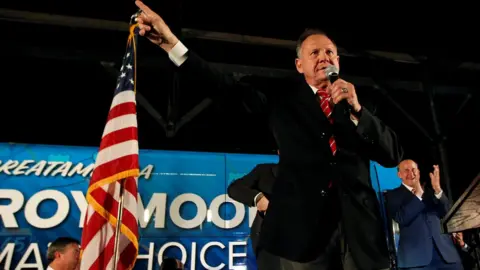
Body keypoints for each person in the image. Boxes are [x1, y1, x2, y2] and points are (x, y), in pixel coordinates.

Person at [134, 2, 403, 269]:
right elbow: (225, 88)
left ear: (338, 61)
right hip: (303, 241)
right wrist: (172, 45)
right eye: (315, 52)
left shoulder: (360, 103)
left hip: (361, 238)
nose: (324, 57)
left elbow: (392, 155)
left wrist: (357, 112)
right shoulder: (282, 101)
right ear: (299, 65)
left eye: (330, 52)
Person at [386, 160, 463, 269]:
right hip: (417, 260)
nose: (411, 174)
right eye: (406, 171)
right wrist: (418, 194)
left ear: (418, 172)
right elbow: (402, 218)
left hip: (446, 256)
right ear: (399, 175)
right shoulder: (393, 195)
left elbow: (447, 213)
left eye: (413, 170)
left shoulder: (431, 192)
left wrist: (438, 189)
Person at [227, 162, 278, 257]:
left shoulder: (312, 175)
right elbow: (234, 189)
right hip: (267, 243)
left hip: (303, 245)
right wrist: (258, 198)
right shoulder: (264, 171)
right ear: (279, 152)